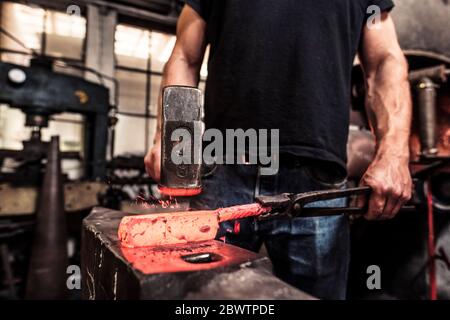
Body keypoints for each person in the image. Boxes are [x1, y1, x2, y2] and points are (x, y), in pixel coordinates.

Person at [144, 0, 412, 299]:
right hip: (223, 170)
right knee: (200, 300)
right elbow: (184, 55)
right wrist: (173, 138)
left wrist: (394, 155)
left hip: (316, 186)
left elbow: (385, 61)